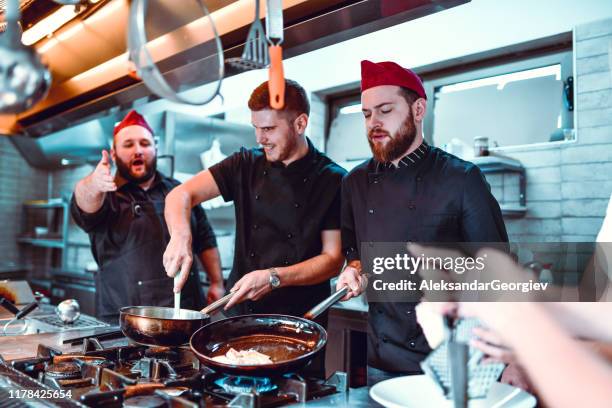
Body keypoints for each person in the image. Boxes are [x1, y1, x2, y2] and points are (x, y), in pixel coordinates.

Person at [336, 60, 508, 382]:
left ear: (418, 110)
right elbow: (355, 254)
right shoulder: (354, 183)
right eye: (367, 113)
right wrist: (354, 271)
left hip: (449, 362)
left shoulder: (461, 179)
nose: (374, 122)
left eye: (385, 110)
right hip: (380, 360)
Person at [163, 79, 346, 320]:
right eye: (255, 127)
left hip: (300, 322)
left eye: (268, 129)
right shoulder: (244, 164)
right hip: (240, 315)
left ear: (300, 123)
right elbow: (180, 195)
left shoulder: (332, 179)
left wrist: (273, 277)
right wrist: (181, 236)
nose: (259, 138)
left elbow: (333, 260)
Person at [71, 110, 223, 322]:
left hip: (186, 313)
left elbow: (205, 238)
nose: (138, 150)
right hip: (126, 320)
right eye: (128, 144)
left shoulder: (179, 190)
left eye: (144, 143)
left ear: (156, 148)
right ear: (113, 154)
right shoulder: (105, 194)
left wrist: (217, 282)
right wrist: (94, 184)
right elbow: (84, 199)